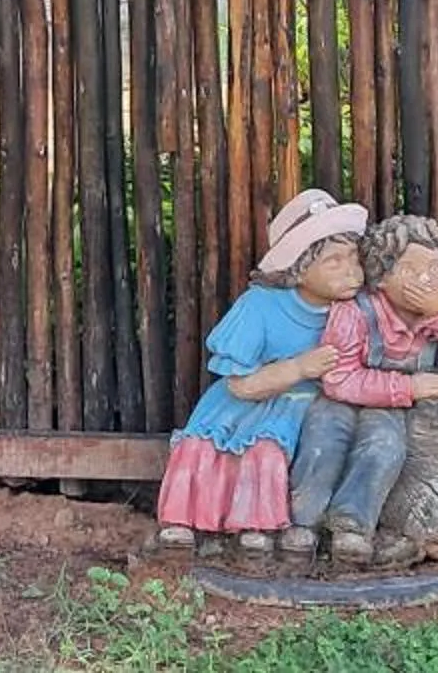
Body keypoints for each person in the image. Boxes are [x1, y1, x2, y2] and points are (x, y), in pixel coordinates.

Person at [153, 189, 369, 553]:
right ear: (298, 269)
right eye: (334, 261)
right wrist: (299, 366)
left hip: (306, 409)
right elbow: (238, 385)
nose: (351, 271)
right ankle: (187, 520)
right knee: (204, 446)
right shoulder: (260, 306)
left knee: (268, 452)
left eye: (353, 258)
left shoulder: (359, 311)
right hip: (246, 402)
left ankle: (257, 525)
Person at [286, 213, 438, 562]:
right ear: (381, 278)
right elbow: (338, 378)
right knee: (322, 440)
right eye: (410, 270)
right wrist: (407, 387)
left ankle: (352, 526)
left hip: (391, 411)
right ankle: (300, 523)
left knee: (384, 447)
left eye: (436, 270)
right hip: (341, 400)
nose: (425, 280)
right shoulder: (355, 312)